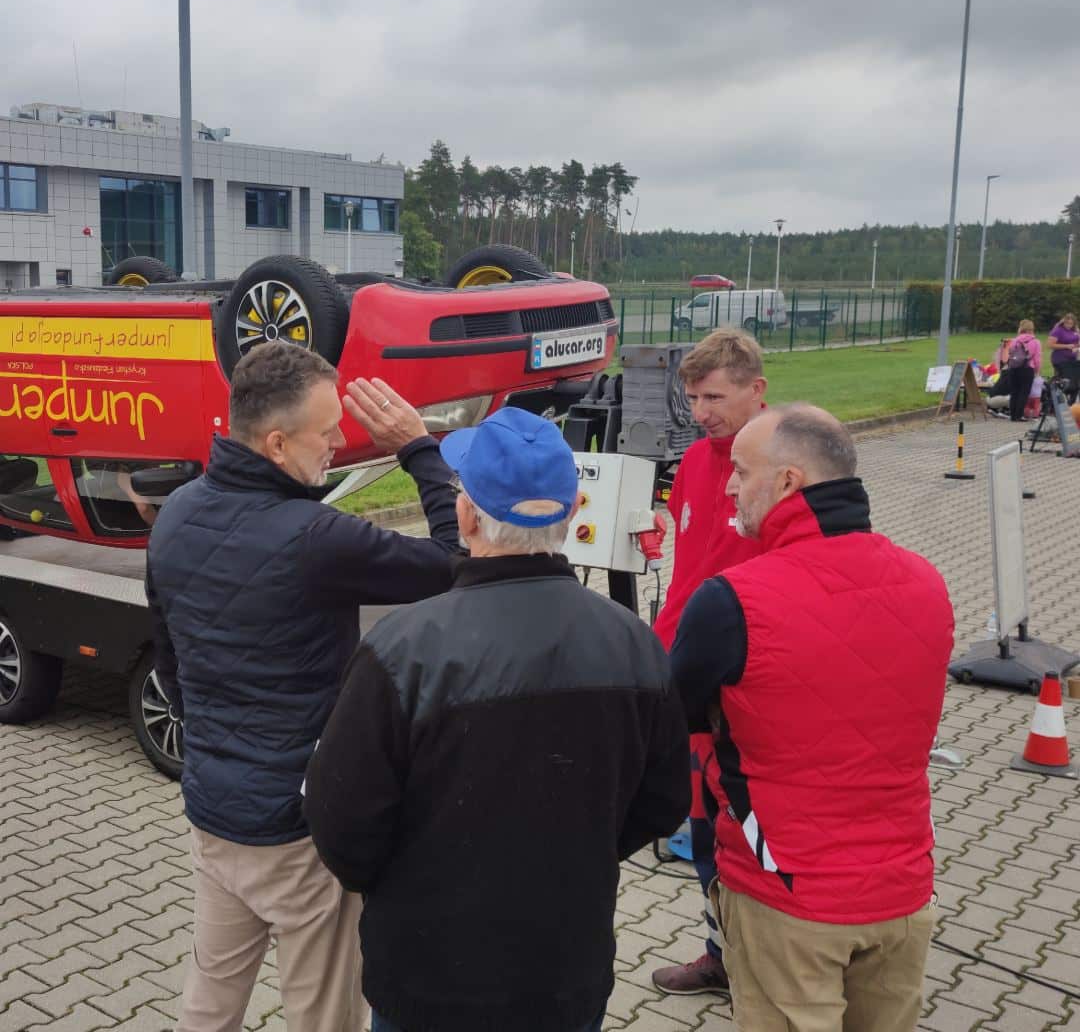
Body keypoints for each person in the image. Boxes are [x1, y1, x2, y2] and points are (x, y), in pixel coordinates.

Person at [304, 406, 690, 1032]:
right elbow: (663, 799)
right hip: (563, 976)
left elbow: (342, 824)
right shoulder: (635, 644)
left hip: (427, 980)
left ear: (464, 515)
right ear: (570, 512)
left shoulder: (402, 648)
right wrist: (578, 848)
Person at [147, 342, 461, 1032]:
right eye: (327, 432)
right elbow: (454, 561)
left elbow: (166, 658)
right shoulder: (316, 537)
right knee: (325, 1013)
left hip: (213, 812)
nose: (342, 442)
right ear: (278, 442)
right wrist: (418, 449)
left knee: (209, 999)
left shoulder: (174, 512)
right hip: (297, 833)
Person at [673, 404, 954, 1032]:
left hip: (787, 893)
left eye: (742, 473)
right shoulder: (927, 581)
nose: (728, 485)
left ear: (788, 483)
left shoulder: (732, 599)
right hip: (903, 887)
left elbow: (674, 713)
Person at [650, 327, 766, 997]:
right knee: (700, 822)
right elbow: (691, 549)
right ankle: (721, 953)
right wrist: (657, 524)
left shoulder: (782, 467)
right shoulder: (695, 460)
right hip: (683, 670)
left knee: (739, 829)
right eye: (692, 397)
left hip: (745, 684)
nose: (701, 412)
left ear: (757, 391)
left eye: (715, 396)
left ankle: (762, 964)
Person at [1004, 319, 1042, 422]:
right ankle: (1019, 415)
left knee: (1014, 392)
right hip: (1027, 368)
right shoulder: (1035, 342)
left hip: (1013, 368)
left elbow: (1010, 354)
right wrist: (1037, 371)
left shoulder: (1014, 341)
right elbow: (1037, 359)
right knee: (1024, 392)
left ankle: (1012, 415)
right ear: (1031, 329)